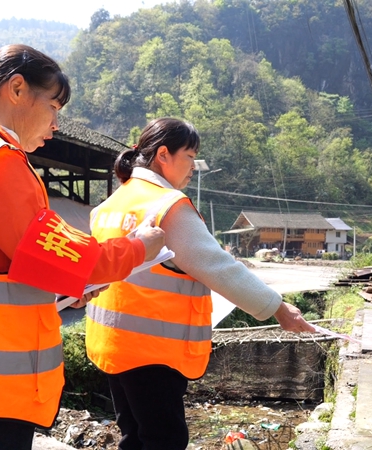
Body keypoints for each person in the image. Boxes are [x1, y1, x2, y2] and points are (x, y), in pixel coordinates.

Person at [0, 44, 165, 450]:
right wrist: (138, 248)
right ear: (18, 89)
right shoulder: (0, 160)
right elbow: (64, 254)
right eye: (54, 107)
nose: (56, 123)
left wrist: (64, 287)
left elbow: (6, 265)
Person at [85, 117, 316, 450]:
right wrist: (278, 308)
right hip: (154, 352)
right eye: (190, 157)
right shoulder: (167, 207)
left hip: (111, 344)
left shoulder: (110, 205)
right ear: (163, 155)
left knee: (134, 435)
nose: (193, 167)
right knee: (164, 439)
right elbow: (219, 267)